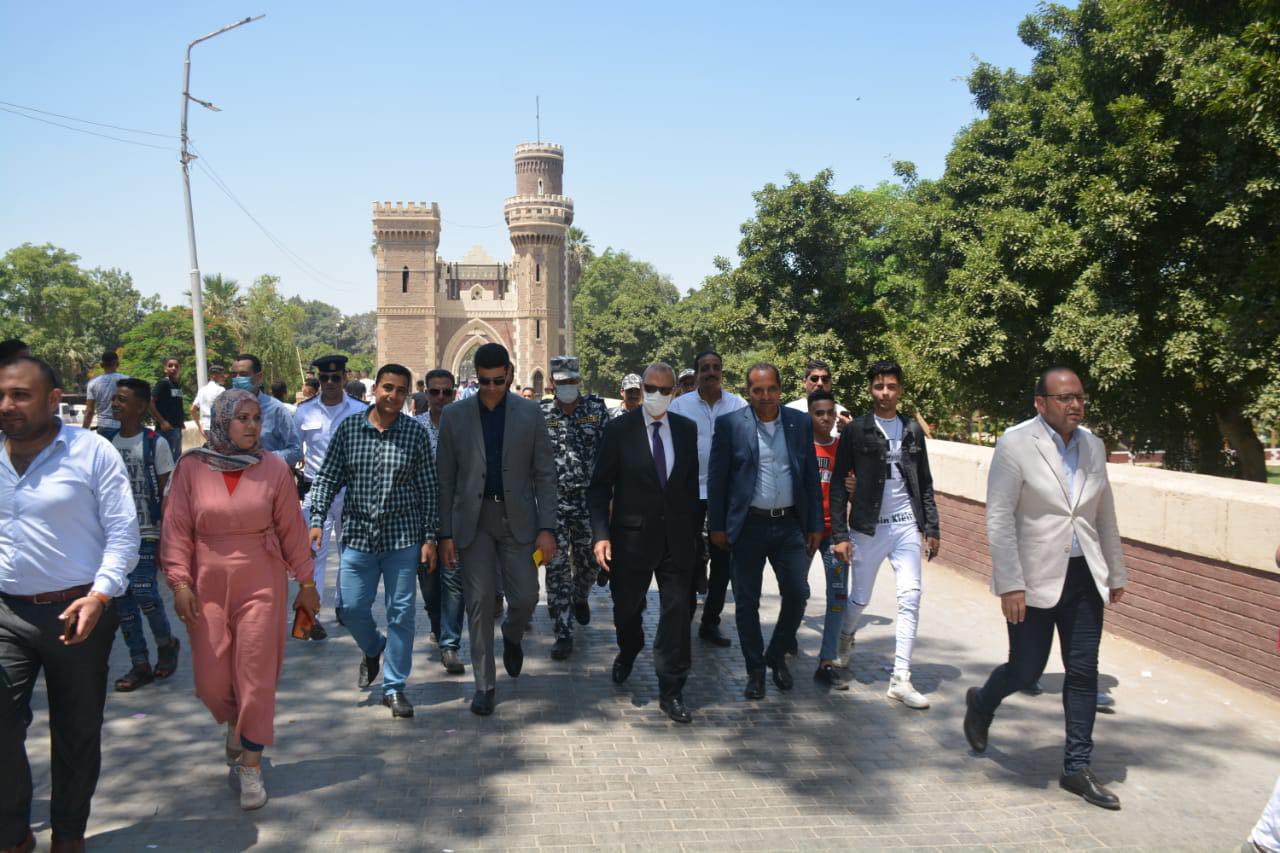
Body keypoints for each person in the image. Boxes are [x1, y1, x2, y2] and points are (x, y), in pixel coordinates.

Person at [962, 367, 1128, 810]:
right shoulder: (1015, 443)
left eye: (1080, 397)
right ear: (1041, 403)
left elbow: (1104, 514)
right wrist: (1010, 584)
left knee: (1083, 672)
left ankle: (1077, 766)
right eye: (1064, 398)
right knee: (1026, 670)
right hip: (1032, 579)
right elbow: (999, 517)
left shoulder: (1093, 445)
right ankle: (982, 702)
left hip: (1084, 576)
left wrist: (1115, 571)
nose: (1075, 405)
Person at [0, 356, 139, 853]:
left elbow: (123, 532)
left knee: (76, 732)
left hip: (79, 613)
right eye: (1, 396)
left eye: (20, 395)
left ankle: (68, 834)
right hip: (6, 613)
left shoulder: (91, 451)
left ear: (54, 400)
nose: (7, 405)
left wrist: (100, 595)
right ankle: (13, 835)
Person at [160, 389, 317, 810]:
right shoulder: (191, 468)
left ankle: (251, 764)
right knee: (212, 683)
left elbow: (292, 529)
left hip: (261, 579)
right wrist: (179, 583)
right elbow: (176, 528)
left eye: (256, 419)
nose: (252, 426)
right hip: (206, 581)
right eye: (242, 418)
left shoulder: (274, 469)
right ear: (221, 421)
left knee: (256, 675)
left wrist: (306, 582)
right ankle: (235, 723)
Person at [307, 364, 437, 719]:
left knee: (401, 613)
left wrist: (429, 537)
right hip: (358, 538)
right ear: (375, 389)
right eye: (388, 388)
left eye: (400, 390)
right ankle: (374, 646)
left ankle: (393, 687)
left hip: (402, 538)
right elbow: (327, 477)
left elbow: (429, 489)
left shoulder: (414, 434)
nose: (393, 395)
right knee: (350, 608)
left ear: (407, 396)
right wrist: (316, 519)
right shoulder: (350, 429)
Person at [436, 343, 557, 717]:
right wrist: (444, 534)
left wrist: (547, 527)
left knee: (526, 596)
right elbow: (446, 480)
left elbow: (545, 474)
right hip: (473, 523)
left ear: (509, 374)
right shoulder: (455, 416)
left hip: (518, 519)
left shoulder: (530, 413)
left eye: (498, 381)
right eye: (484, 382)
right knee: (480, 602)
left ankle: (512, 635)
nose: (491, 389)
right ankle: (484, 685)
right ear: (476, 377)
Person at [589, 362, 699, 723]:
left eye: (664, 390)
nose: (656, 395)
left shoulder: (686, 429)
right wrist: (601, 535)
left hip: (676, 540)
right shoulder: (619, 430)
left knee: (677, 616)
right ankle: (630, 647)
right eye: (650, 388)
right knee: (626, 611)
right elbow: (599, 487)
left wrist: (696, 538)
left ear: (674, 393)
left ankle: (672, 689)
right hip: (631, 540)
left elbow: (689, 487)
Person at [707, 362, 822, 699]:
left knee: (798, 594)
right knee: (746, 602)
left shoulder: (799, 423)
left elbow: (810, 477)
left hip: (789, 525)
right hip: (748, 526)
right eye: (758, 390)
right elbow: (717, 479)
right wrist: (717, 526)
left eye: (771, 388)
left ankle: (776, 653)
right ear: (748, 392)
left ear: (780, 390)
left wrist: (815, 523)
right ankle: (755, 669)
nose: (766, 396)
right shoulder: (731, 425)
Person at [829, 360, 940, 709]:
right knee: (860, 598)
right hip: (868, 526)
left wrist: (932, 527)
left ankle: (901, 678)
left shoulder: (911, 429)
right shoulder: (856, 430)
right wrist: (840, 535)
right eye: (879, 387)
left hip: (905, 524)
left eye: (891, 386)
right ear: (870, 390)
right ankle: (845, 636)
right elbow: (837, 484)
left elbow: (924, 481)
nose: (885, 393)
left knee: (910, 596)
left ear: (900, 390)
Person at [103, 378, 180, 692]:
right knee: (122, 603)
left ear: (140, 406)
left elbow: (167, 492)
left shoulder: (154, 443)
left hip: (147, 532)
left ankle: (166, 644)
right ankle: (140, 663)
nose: (115, 404)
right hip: (113, 537)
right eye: (114, 399)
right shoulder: (105, 442)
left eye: (122, 400)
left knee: (146, 592)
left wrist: (166, 537)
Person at [668, 350, 747, 647]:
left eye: (716, 367)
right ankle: (685, 617)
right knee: (687, 559)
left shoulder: (738, 405)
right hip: (689, 494)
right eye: (705, 368)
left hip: (725, 496)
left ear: (722, 372)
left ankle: (710, 622)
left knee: (723, 563)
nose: (711, 372)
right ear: (697, 373)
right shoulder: (680, 406)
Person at [293, 354, 366, 639]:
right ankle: (309, 617)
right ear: (319, 380)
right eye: (325, 378)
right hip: (315, 491)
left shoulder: (360, 410)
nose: (331, 383)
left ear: (345, 377)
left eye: (336, 377)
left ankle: (344, 607)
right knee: (312, 555)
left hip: (350, 491)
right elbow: (294, 450)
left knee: (350, 553)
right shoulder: (304, 412)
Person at [540, 355, 609, 659]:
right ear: (552, 382)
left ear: (579, 380)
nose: (567, 386)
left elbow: (609, 452)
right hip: (553, 502)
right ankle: (563, 632)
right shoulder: (541, 413)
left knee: (590, 562)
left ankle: (580, 595)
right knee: (556, 568)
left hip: (588, 502)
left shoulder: (596, 409)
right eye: (561, 381)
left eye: (572, 380)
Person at [413, 368, 465, 675]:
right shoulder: (415, 427)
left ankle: (450, 645)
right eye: (435, 392)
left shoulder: (465, 425)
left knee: (454, 581)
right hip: (423, 518)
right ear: (426, 393)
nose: (441, 398)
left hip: (455, 516)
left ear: (455, 393)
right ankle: (436, 621)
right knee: (430, 584)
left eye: (447, 392)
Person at [807, 390, 849, 690]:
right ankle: (784, 644)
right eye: (818, 413)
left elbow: (858, 487)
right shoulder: (799, 448)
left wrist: (856, 486)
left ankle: (827, 662)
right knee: (795, 592)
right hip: (805, 532)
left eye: (829, 413)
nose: (825, 418)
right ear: (810, 415)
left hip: (835, 535)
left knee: (837, 598)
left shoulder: (844, 450)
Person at [229, 355, 301, 467]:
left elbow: (295, 451)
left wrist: (263, 459)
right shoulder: (224, 407)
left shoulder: (276, 409)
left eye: (243, 374)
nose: (237, 379)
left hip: (267, 476)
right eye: (234, 375)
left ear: (259, 377)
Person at [785, 358, 851, 432]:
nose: (820, 383)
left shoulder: (841, 412)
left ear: (830, 383)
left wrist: (850, 430)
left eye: (825, 379)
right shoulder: (789, 411)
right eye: (814, 379)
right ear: (804, 382)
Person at [81, 350, 128, 433]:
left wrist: (83, 432)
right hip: (123, 427)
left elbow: (89, 411)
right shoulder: (127, 380)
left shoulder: (93, 383)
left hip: (103, 427)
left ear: (101, 365)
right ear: (117, 363)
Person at [148, 356, 185, 459]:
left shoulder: (177, 384)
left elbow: (176, 404)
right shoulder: (163, 383)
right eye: (170, 366)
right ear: (165, 369)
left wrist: (181, 421)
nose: (173, 368)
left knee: (176, 459)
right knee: (166, 460)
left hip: (176, 428)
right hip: (166, 429)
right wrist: (162, 421)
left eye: (176, 366)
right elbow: (150, 402)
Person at [192, 363, 227, 441]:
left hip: (205, 427)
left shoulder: (202, 390)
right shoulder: (221, 390)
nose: (224, 377)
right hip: (217, 427)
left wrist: (199, 427)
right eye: (222, 375)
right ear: (214, 376)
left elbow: (193, 410)